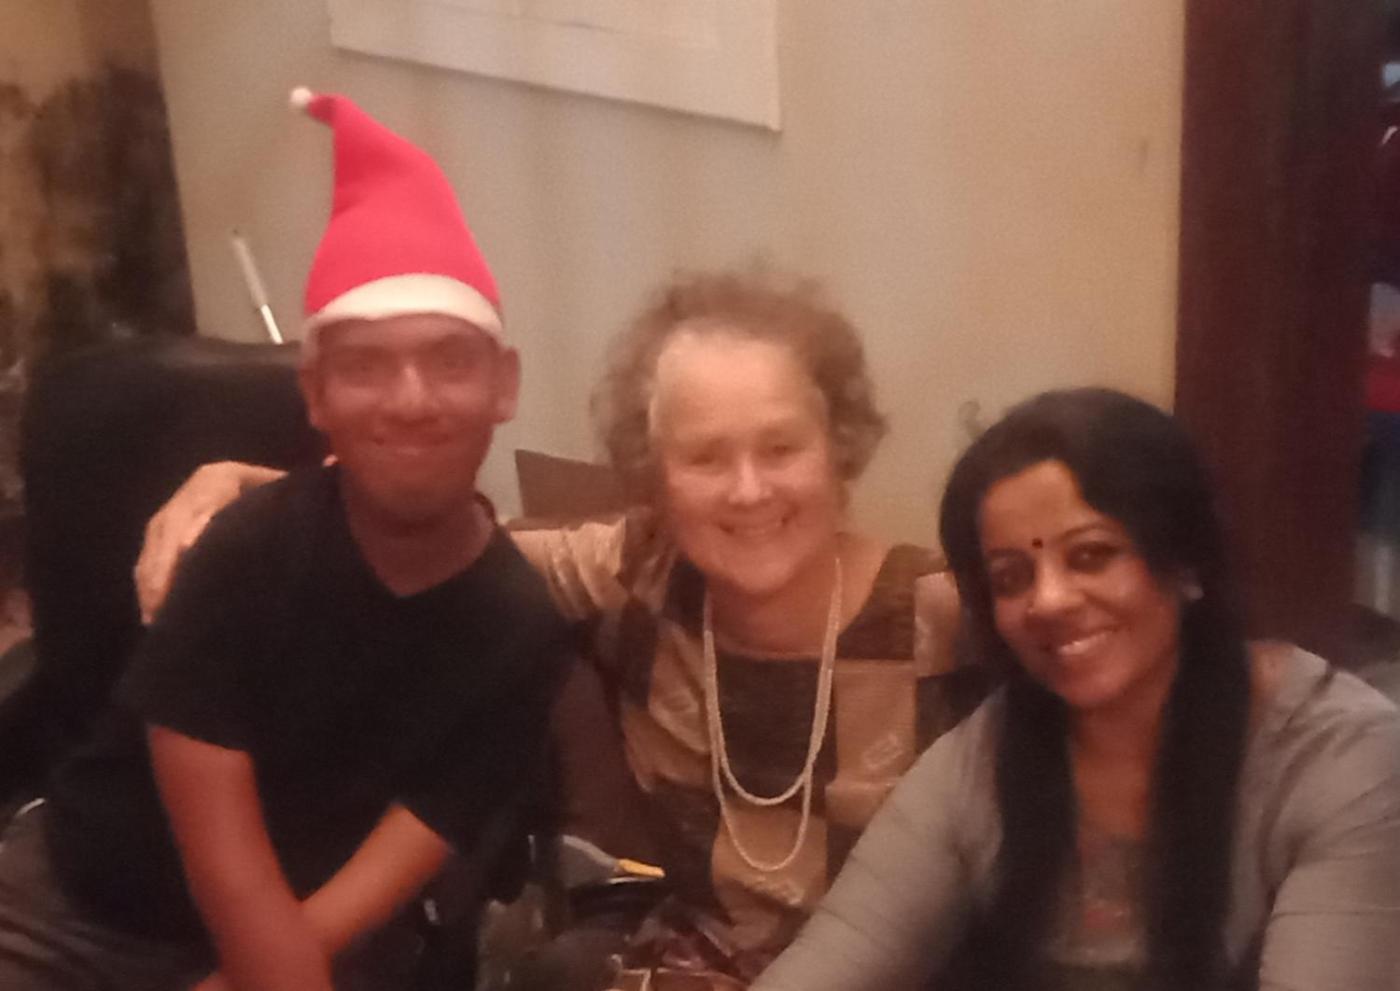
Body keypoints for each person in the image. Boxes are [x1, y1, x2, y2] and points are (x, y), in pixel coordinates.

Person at [133, 268, 989, 989]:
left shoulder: (943, 616)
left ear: (839, 446)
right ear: (653, 478)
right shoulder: (636, 578)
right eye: (704, 457)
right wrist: (239, 484)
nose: (748, 489)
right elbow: (427, 529)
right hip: (695, 967)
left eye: (781, 448)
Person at [0, 88, 567, 991]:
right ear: (315, 396)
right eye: (365, 365)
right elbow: (225, 864)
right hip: (81, 909)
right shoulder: (244, 551)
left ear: (504, 385)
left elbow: (399, 858)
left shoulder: (518, 627)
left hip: (316, 930)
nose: (411, 399)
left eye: (450, 360)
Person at [753, 388, 1400, 991]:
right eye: (1011, 578)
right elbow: (829, 966)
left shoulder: (1340, 758)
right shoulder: (983, 759)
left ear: (1186, 562)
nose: (1049, 601)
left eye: (1091, 555)